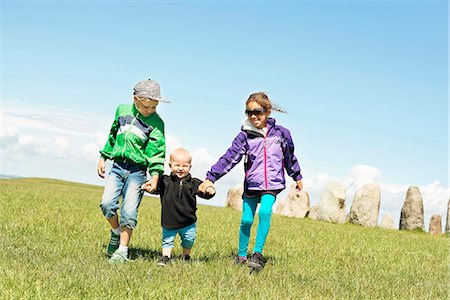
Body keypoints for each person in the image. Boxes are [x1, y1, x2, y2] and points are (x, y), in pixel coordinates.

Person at [198, 92, 303, 269]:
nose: (253, 116)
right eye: (249, 112)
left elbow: (289, 157)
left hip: (273, 184)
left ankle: (257, 253)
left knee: (264, 213)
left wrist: (297, 176)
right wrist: (211, 178)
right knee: (247, 220)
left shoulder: (282, 134)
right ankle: (241, 256)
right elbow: (229, 158)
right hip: (252, 184)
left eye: (258, 111)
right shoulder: (245, 136)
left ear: (268, 111)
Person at [97, 79, 170, 264]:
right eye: (146, 107)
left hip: (137, 172)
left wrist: (155, 177)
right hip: (118, 166)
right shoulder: (122, 111)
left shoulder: (156, 123)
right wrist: (104, 156)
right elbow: (112, 134)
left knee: (129, 211)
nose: (149, 111)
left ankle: (122, 250)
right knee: (107, 204)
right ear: (135, 99)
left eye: (154, 107)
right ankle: (115, 232)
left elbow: (157, 152)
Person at [142, 148, 216, 266]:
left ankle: (185, 255)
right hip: (169, 220)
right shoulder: (164, 181)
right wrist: (148, 187)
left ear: (190, 167)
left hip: (188, 221)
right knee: (167, 241)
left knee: (189, 240)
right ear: (170, 165)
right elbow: (155, 188)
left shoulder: (194, 183)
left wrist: (209, 190)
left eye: (185, 166)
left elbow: (203, 190)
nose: (181, 168)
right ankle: (166, 257)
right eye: (177, 165)